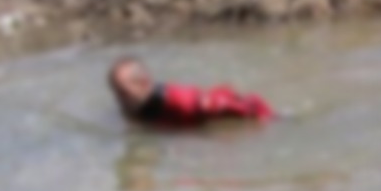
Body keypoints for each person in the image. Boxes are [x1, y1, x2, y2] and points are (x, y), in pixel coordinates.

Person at [108, 56, 274, 125]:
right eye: (115, 92)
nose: (119, 99)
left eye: (123, 92)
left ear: (144, 83)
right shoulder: (134, 106)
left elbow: (241, 103)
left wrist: (267, 120)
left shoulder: (183, 103)